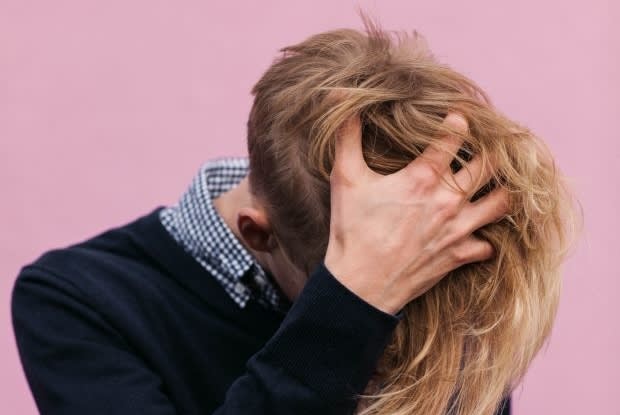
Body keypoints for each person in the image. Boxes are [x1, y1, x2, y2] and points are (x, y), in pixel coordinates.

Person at [12, 17, 577, 415]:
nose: (391, 341)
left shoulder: (445, 261)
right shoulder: (73, 302)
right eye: (384, 281)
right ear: (258, 234)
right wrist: (350, 306)